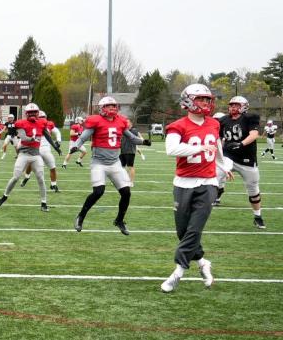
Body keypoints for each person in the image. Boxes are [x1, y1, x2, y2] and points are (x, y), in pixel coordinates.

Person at [160, 84, 230, 292]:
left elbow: (215, 147)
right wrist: (200, 147)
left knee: (194, 228)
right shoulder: (178, 126)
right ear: (188, 101)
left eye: (207, 99)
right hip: (183, 183)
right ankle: (202, 263)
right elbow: (171, 149)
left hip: (208, 183)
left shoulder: (214, 124)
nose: (206, 103)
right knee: (183, 231)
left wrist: (222, 165)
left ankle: (178, 271)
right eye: (201, 99)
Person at [67, 95, 151, 235]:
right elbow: (83, 137)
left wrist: (143, 142)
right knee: (98, 192)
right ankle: (81, 216)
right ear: (102, 108)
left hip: (114, 163)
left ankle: (119, 220)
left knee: (126, 193)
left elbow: (131, 137)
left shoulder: (120, 122)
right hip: (99, 163)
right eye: (109, 106)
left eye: (114, 106)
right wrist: (76, 146)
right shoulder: (96, 121)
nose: (112, 108)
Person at [0, 103, 60, 212]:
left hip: (36, 155)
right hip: (24, 154)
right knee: (15, 177)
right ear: (26, 114)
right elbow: (23, 137)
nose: (32, 114)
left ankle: (43, 203)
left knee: (41, 179)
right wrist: (32, 139)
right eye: (30, 113)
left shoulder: (42, 122)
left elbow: (47, 135)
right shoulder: (21, 123)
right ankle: (4, 197)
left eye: (34, 112)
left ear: (38, 113)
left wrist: (55, 147)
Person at [216, 96, 265, 228]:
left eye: (236, 105)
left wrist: (241, 144)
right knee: (214, 178)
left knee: (253, 189)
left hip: (246, 159)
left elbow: (254, 134)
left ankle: (257, 216)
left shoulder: (250, 117)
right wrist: (219, 150)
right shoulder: (223, 120)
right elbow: (219, 138)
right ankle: (217, 193)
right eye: (231, 105)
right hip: (228, 156)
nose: (233, 107)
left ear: (244, 106)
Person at [20, 109, 60, 192]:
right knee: (50, 167)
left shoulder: (46, 124)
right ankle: (53, 184)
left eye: (43, 117)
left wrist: (58, 141)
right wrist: (58, 142)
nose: (43, 119)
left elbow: (56, 132)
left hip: (41, 149)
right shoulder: (34, 124)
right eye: (41, 117)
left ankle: (53, 184)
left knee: (50, 167)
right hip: (38, 149)